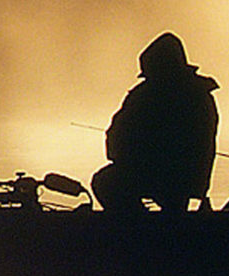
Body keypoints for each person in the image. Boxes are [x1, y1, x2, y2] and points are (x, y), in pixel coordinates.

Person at [91, 33, 220, 212]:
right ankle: (166, 222)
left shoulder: (144, 97)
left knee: (105, 181)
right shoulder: (201, 95)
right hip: (188, 182)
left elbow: (116, 140)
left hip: (157, 176)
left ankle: (139, 228)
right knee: (175, 204)